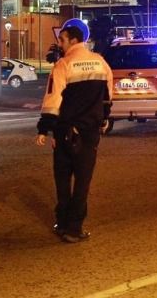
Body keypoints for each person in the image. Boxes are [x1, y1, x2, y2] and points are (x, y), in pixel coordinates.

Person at [35, 25, 113, 243]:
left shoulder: (64, 64)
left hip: (65, 131)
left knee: (62, 179)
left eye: (62, 39)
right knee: (82, 182)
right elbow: (108, 95)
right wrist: (104, 118)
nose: (59, 43)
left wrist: (44, 128)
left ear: (73, 40)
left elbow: (53, 99)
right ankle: (75, 227)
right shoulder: (100, 62)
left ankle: (62, 224)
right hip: (89, 133)